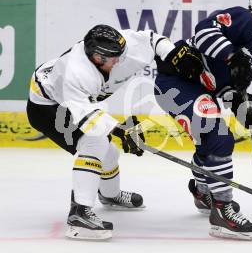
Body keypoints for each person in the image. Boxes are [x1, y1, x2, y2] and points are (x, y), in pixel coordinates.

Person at [26, 24, 198, 240]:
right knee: (95, 142)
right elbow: (88, 118)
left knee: (110, 153)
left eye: (120, 54)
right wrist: (121, 130)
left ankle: (109, 195)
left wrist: (174, 55)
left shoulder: (122, 50)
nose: (119, 61)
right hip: (48, 105)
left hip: (75, 100)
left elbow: (153, 40)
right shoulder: (74, 73)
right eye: (113, 58)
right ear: (97, 57)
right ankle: (79, 214)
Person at [154, 0, 252, 240]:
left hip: (199, 90)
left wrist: (240, 100)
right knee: (219, 138)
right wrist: (233, 56)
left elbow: (225, 83)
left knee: (211, 142)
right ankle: (221, 210)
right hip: (175, 84)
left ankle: (202, 191)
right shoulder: (244, 18)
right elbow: (203, 32)